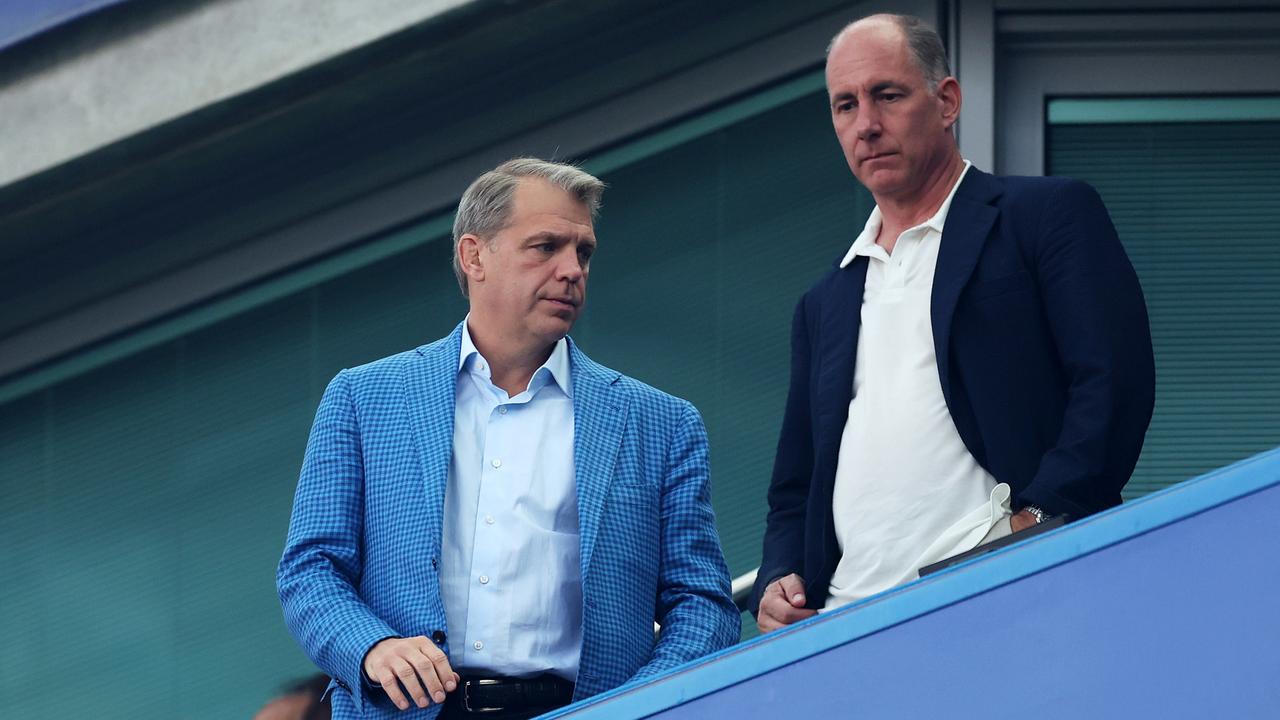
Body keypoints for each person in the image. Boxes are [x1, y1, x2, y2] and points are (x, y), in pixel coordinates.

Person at [278, 158, 739, 719]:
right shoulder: (364, 398)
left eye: (583, 252)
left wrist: (640, 705)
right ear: (475, 256)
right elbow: (311, 569)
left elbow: (704, 605)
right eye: (545, 246)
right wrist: (372, 647)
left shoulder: (661, 424)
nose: (572, 269)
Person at [751, 14, 1155, 632]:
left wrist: (1040, 521)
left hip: (1009, 592)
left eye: (888, 94)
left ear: (947, 101)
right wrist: (781, 574)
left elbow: (1112, 381)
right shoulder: (824, 301)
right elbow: (795, 483)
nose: (867, 124)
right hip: (845, 630)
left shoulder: (1044, 215)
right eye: (845, 105)